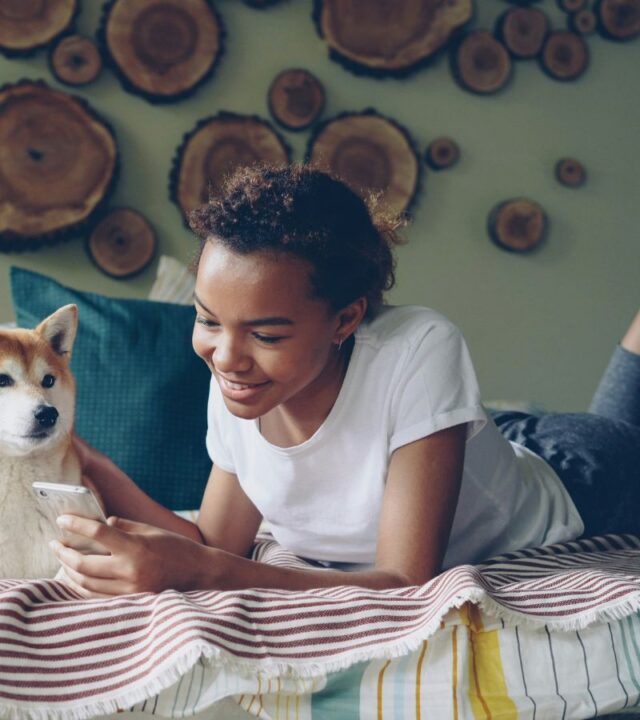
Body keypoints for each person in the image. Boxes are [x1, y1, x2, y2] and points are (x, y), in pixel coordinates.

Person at [50, 164, 640, 597]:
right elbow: (213, 540)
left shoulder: (418, 348)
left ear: (346, 318)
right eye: (207, 320)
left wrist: (199, 574)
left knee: (622, 430)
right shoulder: (237, 376)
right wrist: (88, 464)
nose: (226, 356)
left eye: (267, 335)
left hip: (574, 469)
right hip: (454, 440)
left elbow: (406, 581)